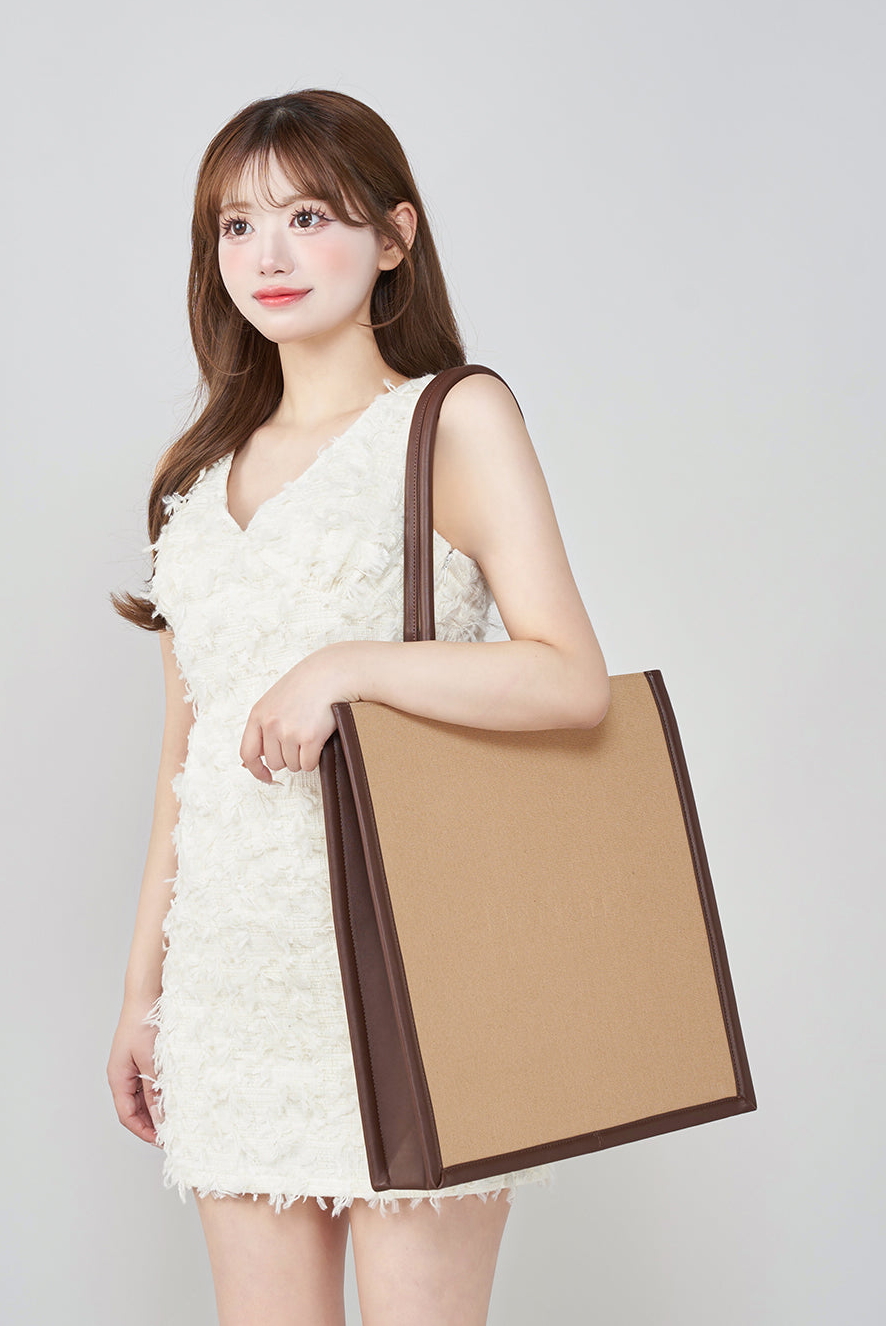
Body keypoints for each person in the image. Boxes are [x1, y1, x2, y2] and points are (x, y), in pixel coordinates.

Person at [107, 88, 610, 1326]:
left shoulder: (451, 419)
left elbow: (569, 679)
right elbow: (185, 764)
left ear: (393, 236)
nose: (267, 255)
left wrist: (348, 664)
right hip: (236, 981)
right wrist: (141, 994)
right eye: (236, 226)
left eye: (308, 216)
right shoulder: (194, 479)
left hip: (417, 964)